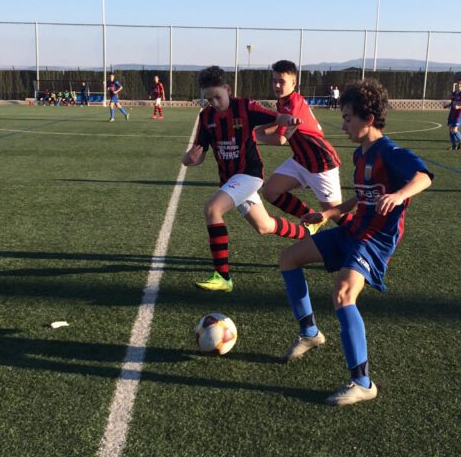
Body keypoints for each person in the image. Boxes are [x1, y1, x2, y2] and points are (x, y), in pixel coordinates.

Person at [277, 78, 434, 406]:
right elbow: (362, 199)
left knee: (343, 292)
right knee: (288, 258)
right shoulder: (359, 156)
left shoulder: (390, 153)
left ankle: (362, 382)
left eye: (348, 118)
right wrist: (329, 213)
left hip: (375, 240)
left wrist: (401, 193)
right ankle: (309, 333)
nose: (344, 124)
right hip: (352, 231)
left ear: (369, 119)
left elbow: (424, 176)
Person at [182, 66, 307, 292]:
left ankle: (223, 277)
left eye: (218, 97)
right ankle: (308, 233)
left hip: (249, 174)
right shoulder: (206, 117)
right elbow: (198, 156)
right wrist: (188, 159)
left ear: (228, 90)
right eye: (209, 99)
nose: (215, 103)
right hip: (231, 181)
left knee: (212, 209)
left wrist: (288, 119)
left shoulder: (245, 107)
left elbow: (275, 116)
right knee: (264, 226)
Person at [257, 59, 344, 236]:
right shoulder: (284, 101)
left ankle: (362, 240)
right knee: (270, 191)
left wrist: (256, 136)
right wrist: (262, 128)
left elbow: (280, 139)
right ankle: (311, 217)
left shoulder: (293, 104)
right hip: (301, 160)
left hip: (321, 163)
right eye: (275, 81)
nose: (277, 85)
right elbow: (279, 121)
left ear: (294, 82)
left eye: (282, 81)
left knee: (337, 214)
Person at [444, 79, 461, 150]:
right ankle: (454, 145)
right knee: (450, 129)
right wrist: (447, 105)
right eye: (458, 83)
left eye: (460, 83)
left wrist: (459, 107)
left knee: (454, 130)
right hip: (452, 113)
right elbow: (453, 102)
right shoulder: (454, 93)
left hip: (459, 113)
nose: (459, 85)